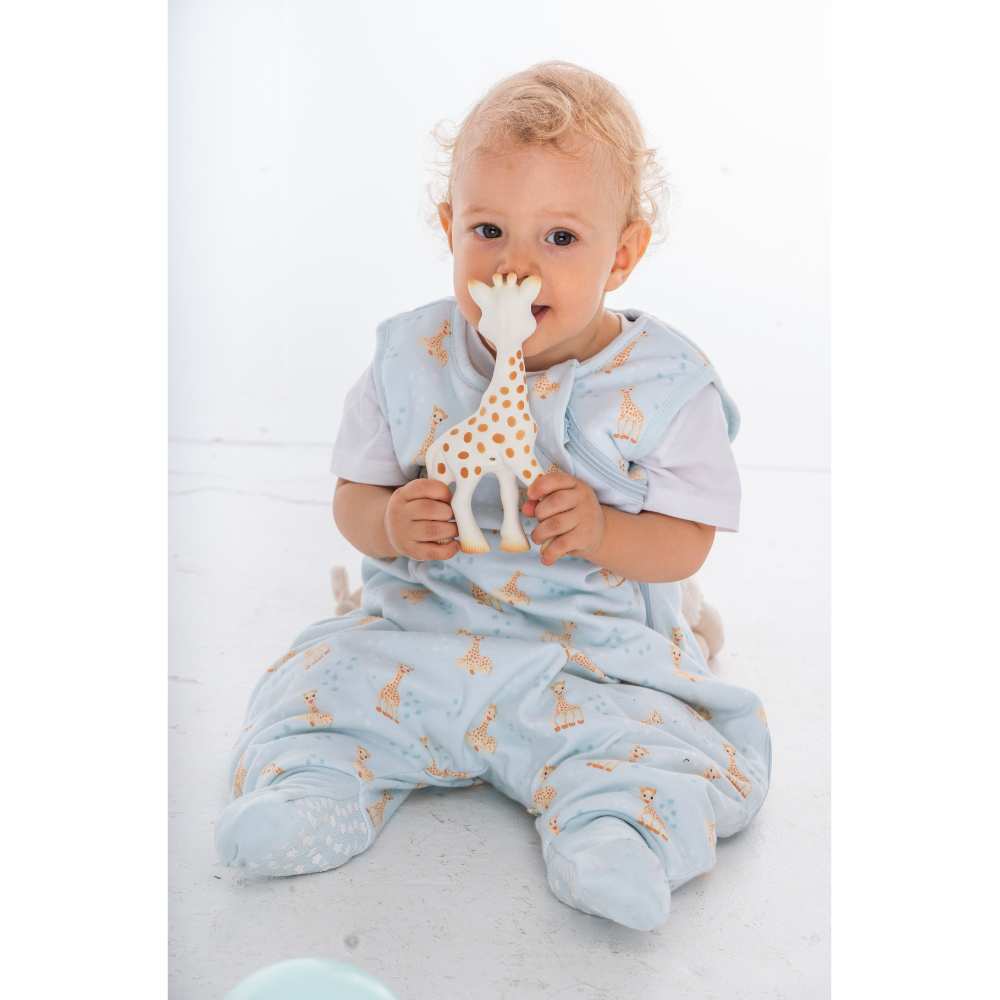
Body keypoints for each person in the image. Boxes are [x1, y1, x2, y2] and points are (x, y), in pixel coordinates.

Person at [215, 61, 771, 932]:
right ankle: (316, 786)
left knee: (645, 737)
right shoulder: (411, 359)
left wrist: (604, 531)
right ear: (449, 228)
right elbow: (354, 496)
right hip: (428, 628)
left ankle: (620, 829)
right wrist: (389, 521)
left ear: (623, 253)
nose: (516, 265)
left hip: (586, 650)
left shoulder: (662, 385)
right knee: (329, 687)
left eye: (561, 238)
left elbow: (686, 540)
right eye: (488, 230)